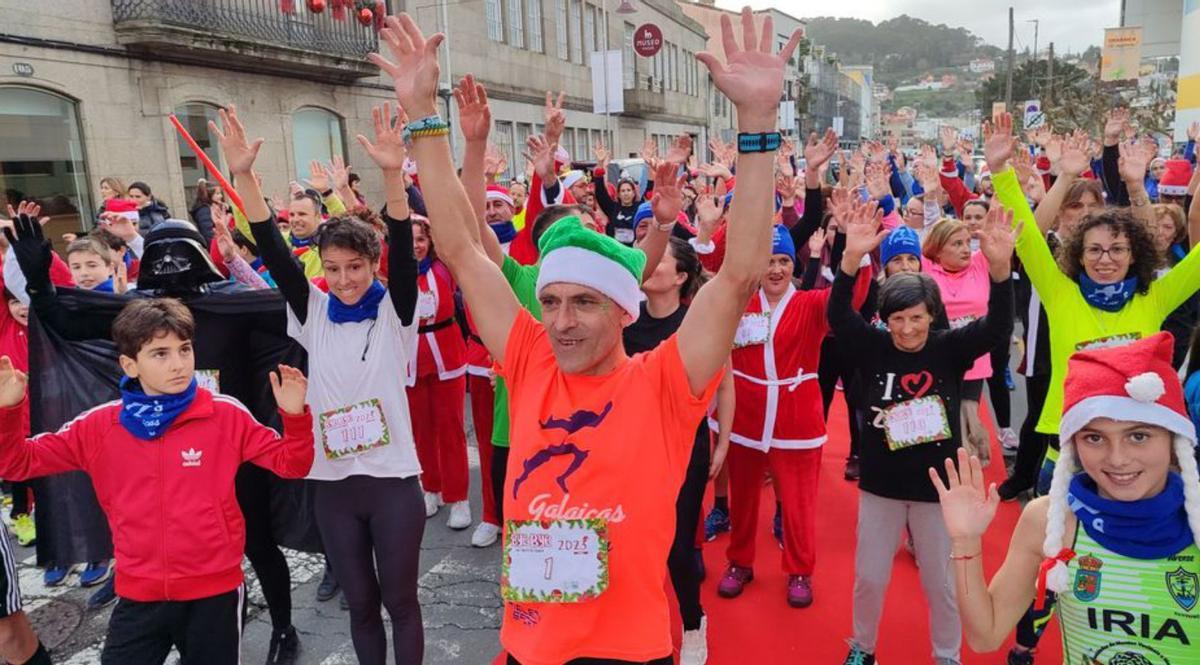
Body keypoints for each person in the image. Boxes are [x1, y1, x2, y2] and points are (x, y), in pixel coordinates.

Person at [368, 8, 798, 662]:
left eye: (584, 304)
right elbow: (459, 246)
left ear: (625, 310)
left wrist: (759, 125)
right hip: (528, 648)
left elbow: (739, 273)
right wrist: (425, 115)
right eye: (552, 302)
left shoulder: (664, 381)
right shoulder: (529, 352)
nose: (561, 320)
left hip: (630, 652)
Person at [216, 100, 427, 665]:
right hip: (333, 485)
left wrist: (390, 176)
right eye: (332, 269)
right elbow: (275, 250)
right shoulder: (312, 311)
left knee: (402, 604)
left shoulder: (395, 314)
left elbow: (403, 251)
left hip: (392, 481)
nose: (343, 279)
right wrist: (243, 178)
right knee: (360, 605)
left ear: (372, 265)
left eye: (354, 267)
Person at [0, 296, 314, 665]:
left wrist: (294, 417)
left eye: (185, 349)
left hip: (214, 592)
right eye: (160, 354)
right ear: (130, 364)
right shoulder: (100, 426)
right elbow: (17, 464)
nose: (179, 364)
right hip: (139, 593)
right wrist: (8, 411)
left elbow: (293, 465)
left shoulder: (225, 414)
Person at [931, 332, 1200, 665]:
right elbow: (984, 635)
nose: (1117, 458)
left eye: (1138, 436)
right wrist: (966, 541)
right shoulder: (1051, 520)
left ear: (1173, 439)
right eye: (1094, 438)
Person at [829, 199, 1016, 665]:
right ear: (884, 319)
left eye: (916, 318)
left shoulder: (949, 348)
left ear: (932, 316)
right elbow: (838, 318)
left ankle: (947, 655)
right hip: (881, 487)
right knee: (870, 577)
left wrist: (999, 270)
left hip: (939, 489)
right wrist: (850, 261)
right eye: (897, 320)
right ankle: (862, 648)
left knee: (942, 583)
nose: (907, 329)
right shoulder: (873, 347)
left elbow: (996, 328)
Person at [624, 236, 733, 665]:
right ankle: (635, 622)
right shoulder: (626, 321)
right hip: (631, 445)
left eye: (661, 261)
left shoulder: (696, 324)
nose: (650, 265)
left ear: (681, 277)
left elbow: (724, 383)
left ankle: (692, 622)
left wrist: (722, 441)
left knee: (675, 546)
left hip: (685, 448)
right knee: (632, 539)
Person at [407, 215, 472, 526]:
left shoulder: (444, 267)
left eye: (421, 239)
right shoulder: (394, 272)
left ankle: (458, 497)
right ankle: (430, 487)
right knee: (421, 429)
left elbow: (456, 235)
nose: (416, 246)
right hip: (410, 360)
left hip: (447, 356)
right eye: (410, 239)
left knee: (451, 429)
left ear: (430, 241)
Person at [921, 220, 996, 468]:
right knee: (942, 421)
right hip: (939, 360)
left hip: (974, 361)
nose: (966, 249)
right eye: (957, 244)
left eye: (967, 242)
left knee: (967, 420)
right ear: (939, 249)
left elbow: (1023, 238)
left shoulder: (979, 263)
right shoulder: (925, 269)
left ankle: (966, 472)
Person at [188, 179, 221, 245]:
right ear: (209, 194)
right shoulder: (203, 211)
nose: (220, 196)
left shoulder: (209, 208)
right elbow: (208, 234)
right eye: (217, 194)